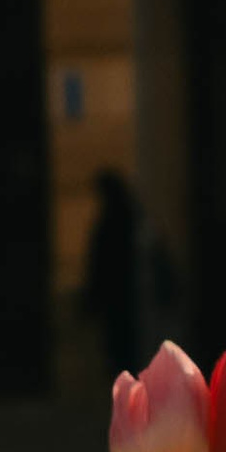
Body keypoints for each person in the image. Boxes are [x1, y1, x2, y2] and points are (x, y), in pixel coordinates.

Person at [79, 165, 146, 394]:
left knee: (120, 347)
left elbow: (100, 262)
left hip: (120, 296)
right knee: (123, 346)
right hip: (125, 295)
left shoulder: (113, 221)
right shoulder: (131, 217)